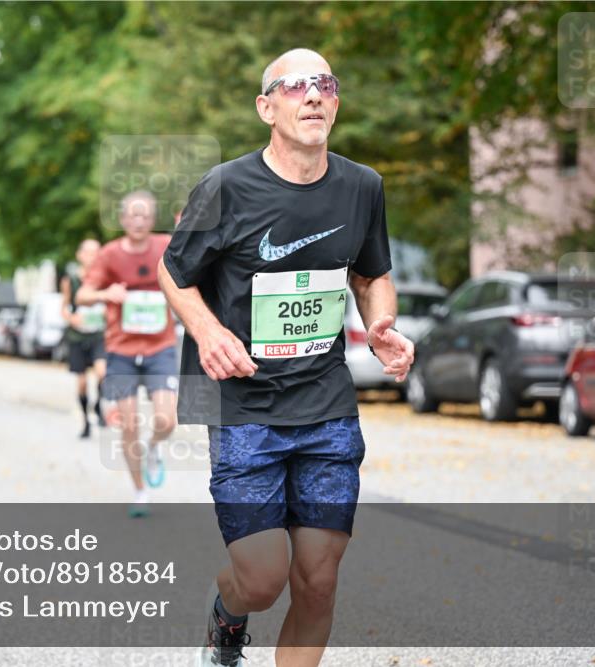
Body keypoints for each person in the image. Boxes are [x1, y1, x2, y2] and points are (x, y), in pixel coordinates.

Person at [158, 49, 415, 667]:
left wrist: (381, 322)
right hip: (244, 404)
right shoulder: (225, 186)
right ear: (265, 107)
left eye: (325, 83)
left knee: (319, 580)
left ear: (336, 102)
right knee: (262, 577)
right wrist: (208, 331)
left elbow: (372, 273)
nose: (313, 95)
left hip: (326, 403)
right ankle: (228, 618)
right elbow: (174, 270)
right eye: (295, 85)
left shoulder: (362, 188)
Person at [76, 191, 177, 518]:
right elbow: (83, 294)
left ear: (152, 219)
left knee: (166, 419)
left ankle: (153, 449)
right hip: (120, 350)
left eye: (144, 215)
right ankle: (140, 491)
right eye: (132, 215)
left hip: (160, 347)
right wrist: (108, 292)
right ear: (122, 220)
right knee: (129, 424)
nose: (138, 221)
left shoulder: (165, 246)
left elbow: (197, 259)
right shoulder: (108, 255)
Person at [60, 239, 108, 438]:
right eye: (88, 252)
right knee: (81, 383)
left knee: (102, 373)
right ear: (79, 255)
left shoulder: (107, 277)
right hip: (77, 336)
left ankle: (98, 406)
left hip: (99, 334)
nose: (92, 257)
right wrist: (72, 318)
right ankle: (86, 421)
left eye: (96, 252)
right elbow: (63, 307)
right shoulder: (70, 279)